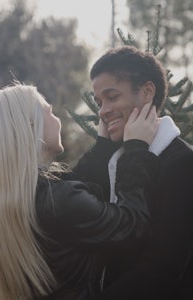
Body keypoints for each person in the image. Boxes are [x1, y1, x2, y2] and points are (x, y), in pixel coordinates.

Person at [0, 82, 160, 300]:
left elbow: (71, 190)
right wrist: (137, 149)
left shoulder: (22, 197)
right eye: (50, 112)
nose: (58, 119)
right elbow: (132, 225)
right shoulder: (58, 201)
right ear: (32, 123)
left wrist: (103, 147)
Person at [74, 45, 193, 300]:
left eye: (112, 97)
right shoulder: (114, 160)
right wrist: (102, 149)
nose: (103, 111)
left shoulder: (183, 163)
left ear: (147, 92)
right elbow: (69, 199)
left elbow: (162, 269)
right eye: (99, 102)